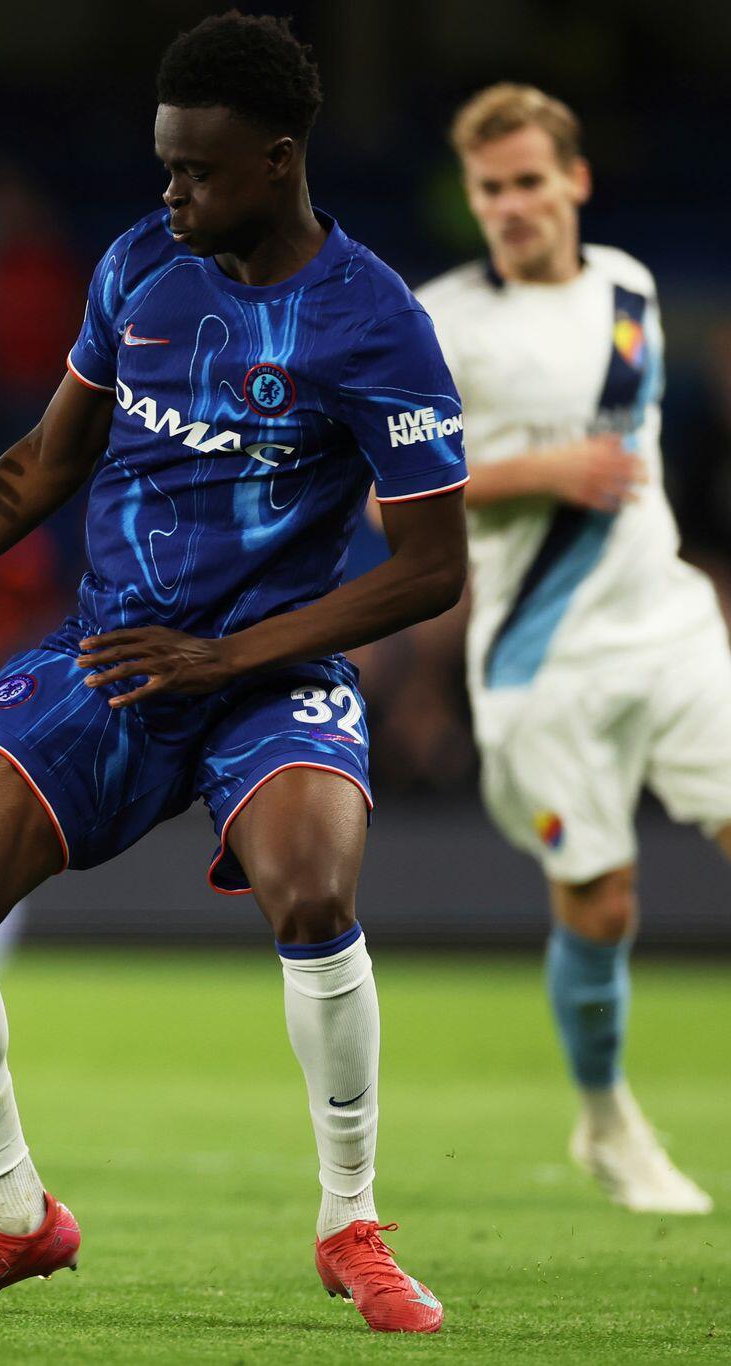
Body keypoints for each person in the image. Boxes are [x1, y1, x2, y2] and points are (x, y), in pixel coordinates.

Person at [0, 12, 465, 1332]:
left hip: (268, 667)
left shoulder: (375, 322)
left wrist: (228, 654)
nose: (171, 193)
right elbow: (45, 463)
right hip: (118, 649)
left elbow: (431, 568)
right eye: (164, 165)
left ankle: (350, 1222)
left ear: (278, 161)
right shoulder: (140, 263)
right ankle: (12, 1216)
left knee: (313, 890)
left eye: (198, 170)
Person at [416, 84, 719, 1215]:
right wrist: (538, 472)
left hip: (669, 625)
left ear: (574, 180)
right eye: (489, 188)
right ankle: (604, 1120)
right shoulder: (437, 322)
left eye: (529, 181)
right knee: (600, 905)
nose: (511, 205)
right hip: (539, 657)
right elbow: (385, 495)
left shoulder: (629, 286)